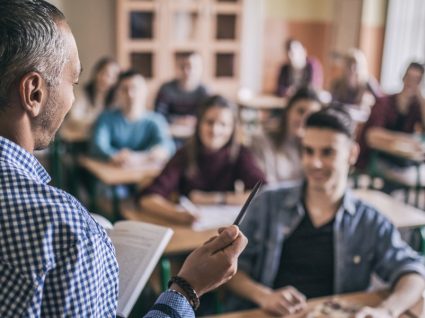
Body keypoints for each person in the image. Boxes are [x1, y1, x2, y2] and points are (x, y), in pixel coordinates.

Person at [0, 1, 247, 317]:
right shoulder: (66, 231)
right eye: (73, 82)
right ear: (34, 92)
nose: (73, 98)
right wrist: (188, 287)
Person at [226, 108, 425, 317]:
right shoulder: (267, 203)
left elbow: (413, 271)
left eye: (327, 152)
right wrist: (264, 296)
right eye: (309, 151)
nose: (315, 163)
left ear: (352, 154)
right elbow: (231, 267)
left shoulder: (368, 221)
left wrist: (386, 311)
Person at [139, 95, 266, 225]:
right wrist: (179, 215)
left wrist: (215, 199)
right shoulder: (184, 154)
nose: (215, 130)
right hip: (190, 230)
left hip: (224, 229)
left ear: (232, 129)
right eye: (209, 122)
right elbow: (148, 199)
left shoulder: (240, 153)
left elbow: (263, 191)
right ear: (199, 123)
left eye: (223, 124)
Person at [357, 62, 425, 187]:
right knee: (398, 179)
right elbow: (372, 135)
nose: (411, 83)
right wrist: (406, 139)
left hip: (401, 160)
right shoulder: (385, 102)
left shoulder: (415, 107)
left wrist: (421, 99)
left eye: (417, 80)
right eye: (409, 78)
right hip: (378, 157)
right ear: (403, 77)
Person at [91, 70, 175, 167]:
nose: (130, 94)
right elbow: (97, 146)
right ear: (117, 93)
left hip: (145, 175)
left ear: (145, 91)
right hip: (113, 173)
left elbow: (167, 146)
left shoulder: (156, 120)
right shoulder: (106, 118)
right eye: (124, 89)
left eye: (135, 88)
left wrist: (138, 157)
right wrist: (115, 156)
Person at [249, 87, 322, 184]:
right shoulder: (261, 141)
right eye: (300, 111)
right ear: (288, 111)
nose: (305, 119)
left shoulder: (316, 149)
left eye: (312, 115)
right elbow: (265, 185)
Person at [154, 52, 209, 124]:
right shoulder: (166, 89)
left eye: (191, 67)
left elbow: (208, 116)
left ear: (200, 68)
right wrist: (177, 120)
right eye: (182, 67)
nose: (186, 71)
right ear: (176, 67)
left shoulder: (205, 92)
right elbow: (158, 115)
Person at [66, 56, 120, 129]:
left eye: (111, 76)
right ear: (96, 73)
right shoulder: (83, 91)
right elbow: (74, 116)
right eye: (103, 72)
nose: (105, 78)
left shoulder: (118, 97)